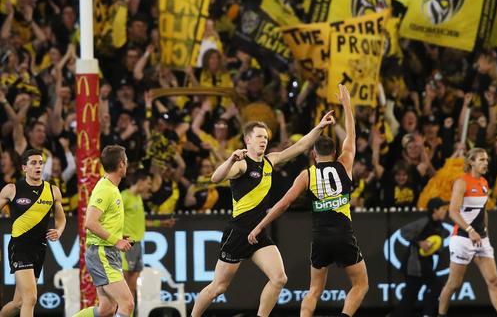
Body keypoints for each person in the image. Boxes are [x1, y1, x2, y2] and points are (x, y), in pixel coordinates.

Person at [190, 109, 336, 317]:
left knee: (279, 278)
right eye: (259, 137)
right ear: (247, 140)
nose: (263, 141)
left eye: (266, 137)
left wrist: (319, 127)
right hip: (238, 233)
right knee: (218, 287)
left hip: (258, 233)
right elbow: (215, 178)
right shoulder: (241, 164)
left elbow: (301, 145)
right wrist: (230, 160)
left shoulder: (270, 161)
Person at [248, 84, 368, 317]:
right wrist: (346, 104)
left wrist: (260, 226)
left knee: (314, 290)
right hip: (344, 235)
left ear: (314, 155)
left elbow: (282, 204)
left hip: (320, 238)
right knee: (361, 285)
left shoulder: (307, 174)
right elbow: (351, 136)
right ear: (334, 153)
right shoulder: (345, 164)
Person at [437, 148, 497, 317]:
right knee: (454, 284)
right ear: (471, 162)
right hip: (462, 238)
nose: (486, 163)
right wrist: (470, 231)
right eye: (482, 160)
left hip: (481, 239)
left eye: (486, 160)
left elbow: (483, 211)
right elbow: (453, 211)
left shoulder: (484, 182)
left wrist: (485, 234)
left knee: (494, 281)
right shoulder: (461, 182)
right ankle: (440, 314)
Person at [0, 148, 66, 317]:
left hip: (39, 249)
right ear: (24, 168)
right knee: (31, 298)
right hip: (19, 247)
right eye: (33, 163)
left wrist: (58, 231)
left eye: (40, 163)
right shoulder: (11, 189)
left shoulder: (52, 191)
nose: (38, 166)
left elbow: (61, 219)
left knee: (18, 303)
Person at [73, 145, 134, 317]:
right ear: (121, 164)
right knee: (127, 304)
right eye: (126, 161)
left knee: (106, 309)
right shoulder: (105, 189)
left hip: (105, 252)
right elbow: (90, 222)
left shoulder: (110, 188)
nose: (127, 165)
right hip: (103, 253)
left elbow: (100, 222)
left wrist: (118, 236)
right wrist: (117, 241)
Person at [121, 170, 176, 303]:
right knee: (123, 287)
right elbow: (113, 219)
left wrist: (162, 223)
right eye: (148, 183)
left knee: (132, 287)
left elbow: (141, 221)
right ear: (140, 182)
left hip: (138, 244)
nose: (150, 187)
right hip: (128, 245)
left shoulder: (138, 198)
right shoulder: (124, 196)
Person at [393, 197, 449, 317]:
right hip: (414, 264)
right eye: (443, 209)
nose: (445, 211)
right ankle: (427, 314)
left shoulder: (441, 228)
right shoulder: (423, 222)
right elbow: (403, 231)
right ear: (435, 210)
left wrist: (435, 248)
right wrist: (420, 243)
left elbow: (438, 250)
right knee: (434, 287)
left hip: (424, 264)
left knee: (411, 296)